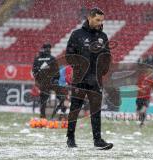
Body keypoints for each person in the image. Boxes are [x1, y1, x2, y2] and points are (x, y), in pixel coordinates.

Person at [65, 8, 112, 149]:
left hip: (96, 81)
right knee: (75, 109)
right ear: (89, 18)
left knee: (96, 111)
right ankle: (70, 138)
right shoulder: (76, 35)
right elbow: (69, 55)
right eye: (97, 20)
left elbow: (107, 57)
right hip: (80, 79)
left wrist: (101, 72)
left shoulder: (103, 36)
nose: (100, 23)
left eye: (102, 20)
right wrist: (80, 69)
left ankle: (97, 140)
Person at [32, 43, 63, 118]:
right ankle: (61, 114)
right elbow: (56, 70)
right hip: (52, 82)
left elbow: (34, 71)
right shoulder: (52, 58)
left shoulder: (37, 59)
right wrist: (56, 79)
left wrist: (38, 80)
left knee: (43, 100)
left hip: (43, 83)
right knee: (61, 98)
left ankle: (43, 117)